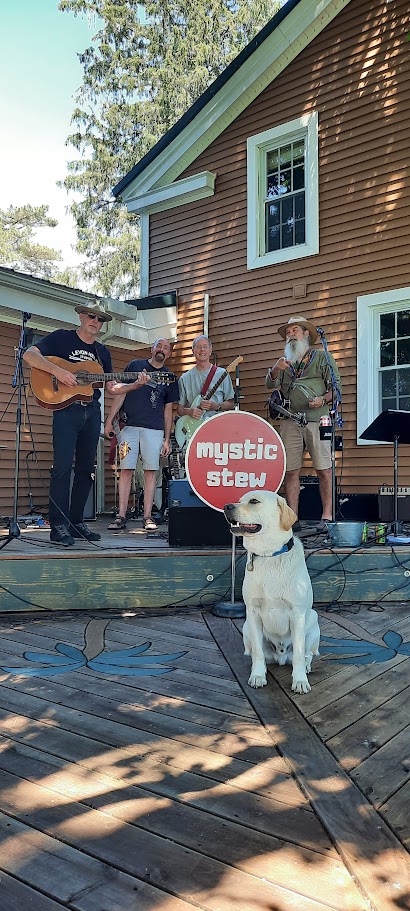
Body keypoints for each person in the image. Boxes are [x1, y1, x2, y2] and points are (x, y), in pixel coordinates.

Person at [23, 301, 114, 546]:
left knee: (86, 469)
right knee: (62, 468)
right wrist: (58, 372)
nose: (96, 322)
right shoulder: (62, 339)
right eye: (92, 317)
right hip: (66, 411)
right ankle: (59, 526)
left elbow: (112, 386)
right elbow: (29, 355)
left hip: (92, 411)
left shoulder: (102, 352)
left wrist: (136, 383)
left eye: (100, 319)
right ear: (82, 317)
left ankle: (76, 522)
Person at [266, 316, 341, 532]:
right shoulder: (284, 361)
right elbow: (269, 383)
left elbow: (336, 390)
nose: (290, 335)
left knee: (324, 470)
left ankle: (327, 515)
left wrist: (322, 400)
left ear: (306, 334)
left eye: (295, 330)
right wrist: (276, 368)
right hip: (290, 420)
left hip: (318, 420)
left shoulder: (321, 357)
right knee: (291, 471)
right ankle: (292, 518)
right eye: (288, 332)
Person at [105, 338, 179, 531]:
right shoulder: (135, 366)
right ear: (152, 349)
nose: (162, 350)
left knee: (150, 472)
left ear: (169, 354)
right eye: (159, 346)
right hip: (128, 427)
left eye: (166, 348)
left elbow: (168, 410)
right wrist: (109, 421)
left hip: (154, 430)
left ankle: (147, 516)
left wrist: (166, 439)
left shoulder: (170, 377)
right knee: (126, 470)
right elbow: (120, 392)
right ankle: (121, 515)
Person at [177, 335, 235, 430]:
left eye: (205, 346)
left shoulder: (222, 374)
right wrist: (190, 412)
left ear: (210, 350)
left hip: (218, 427)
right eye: (198, 347)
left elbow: (231, 403)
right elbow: (180, 409)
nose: (202, 350)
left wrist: (217, 406)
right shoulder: (185, 378)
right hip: (193, 430)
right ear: (193, 351)